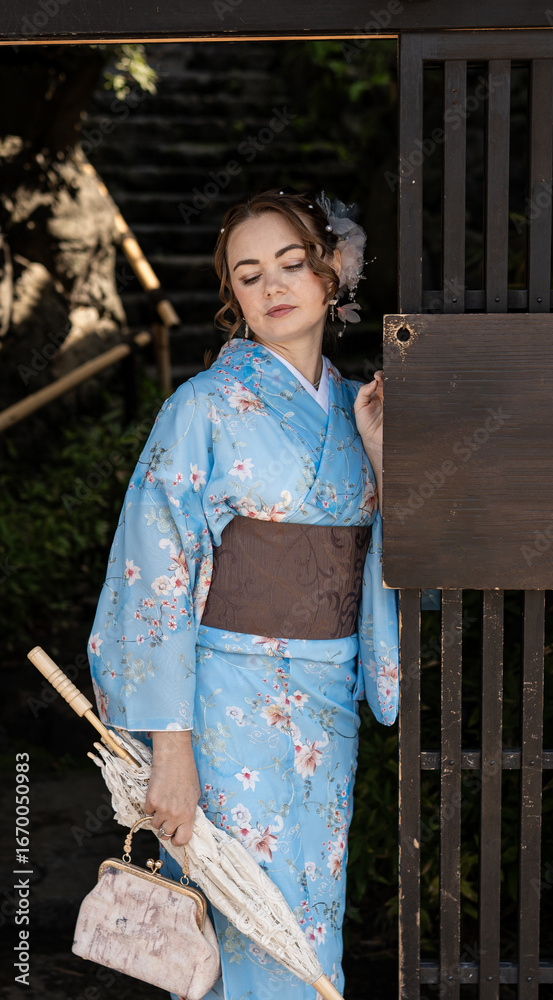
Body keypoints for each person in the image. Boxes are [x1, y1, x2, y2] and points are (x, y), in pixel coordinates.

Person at [87, 188, 399, 1000]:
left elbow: (400, 562)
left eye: (292, 264)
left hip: (324, 691)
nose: (273, 287)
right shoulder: (201, 407)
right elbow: (152, 576)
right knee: (237, 917)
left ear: (332, 274)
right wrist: (171, 750)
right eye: (249, 274)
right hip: (224, 699)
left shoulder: (357, 409)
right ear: (233, 294)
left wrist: (378, 457)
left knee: (307, 917)